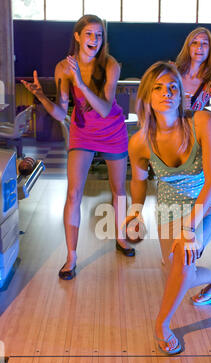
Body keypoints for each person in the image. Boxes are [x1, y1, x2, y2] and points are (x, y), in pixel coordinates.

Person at [127, 61, 211, 355]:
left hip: (208, 205)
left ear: (181, 93)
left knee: (182, 264)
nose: (166, 92)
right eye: (158, 87)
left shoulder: (201, 122)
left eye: (173, 87)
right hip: (169, 210)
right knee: (176, 270)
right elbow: (138, 181)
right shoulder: (139, 143)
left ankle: (162, 325)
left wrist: (188, 229)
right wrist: (134, 212)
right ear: (147, 95)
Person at [22, 14, 135, 280]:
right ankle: (71, 256)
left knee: (118, 189)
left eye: (99, 35)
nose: (94, 40)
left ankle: (121, 237)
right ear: (77, 36)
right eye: (89, 34)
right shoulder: (63, 67)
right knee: (73, 192)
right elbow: (61, 113)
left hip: (112, 130)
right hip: (82, 132)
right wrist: (40, 96)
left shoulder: (110, 65)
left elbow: (106, 108)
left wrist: (81, 84)